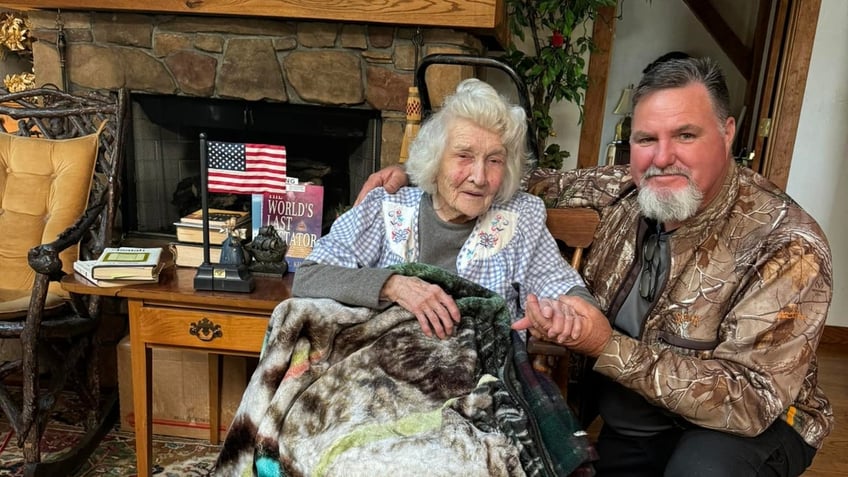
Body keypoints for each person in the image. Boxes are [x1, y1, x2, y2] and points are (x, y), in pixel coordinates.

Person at [357, 57, 833, 476]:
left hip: (741, 429)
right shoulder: (621, 187)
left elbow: (748, 402)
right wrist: (422, 174)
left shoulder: (787, 245)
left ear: (727, 133)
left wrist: (605, 346)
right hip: (632, 421)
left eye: (686, 135)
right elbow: (527, 180)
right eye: (646, 138)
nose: (662, 156)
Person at [293, 78, 595, 339]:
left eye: (494, 160)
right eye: (464, 156)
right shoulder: (386, 208)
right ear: (435, 161)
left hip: (477, 379)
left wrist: (565, 314)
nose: (479, 177)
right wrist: (392, 285)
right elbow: (309, 276)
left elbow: (569, 291)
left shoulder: (519, 220)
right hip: (381, 371)